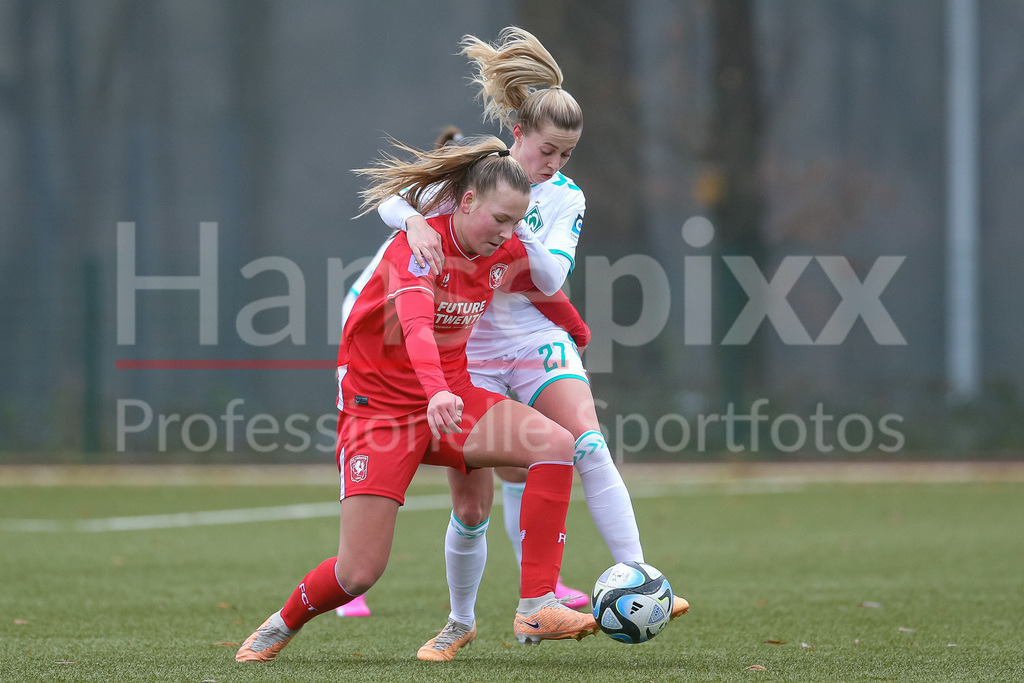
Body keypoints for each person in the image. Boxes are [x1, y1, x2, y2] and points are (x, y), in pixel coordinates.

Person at [347, 27, 689, 662]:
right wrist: (425, 222)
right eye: (548, 149)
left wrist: (516, 231)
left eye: (567, 154)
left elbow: (551, 277)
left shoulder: (563, 198)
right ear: (518, 134)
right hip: (469, 345)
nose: (555, 164)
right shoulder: (478, 178)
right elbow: (395, 201)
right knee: (480, 494)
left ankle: (639, 578)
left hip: (532, 339)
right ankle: (461, 620)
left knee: (581, 440)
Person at [234, 136, 599, 663]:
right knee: (357, 573)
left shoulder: (504, 248)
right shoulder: (418, 246)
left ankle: (536, 602)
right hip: (379, 413)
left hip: (451, 402)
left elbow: (544, 291)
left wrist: (579, 334)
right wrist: (435, 392)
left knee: (555, 444)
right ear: (467, 201)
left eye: (516, 223)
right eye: (500, 219)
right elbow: (416, 329)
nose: (507, 234)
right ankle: (282, 622)